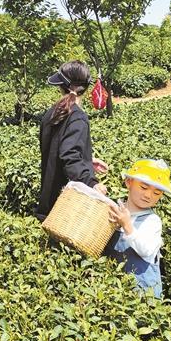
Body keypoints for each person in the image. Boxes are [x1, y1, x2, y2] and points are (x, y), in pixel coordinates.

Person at [35, 61, 109, 222]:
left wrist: (87, 160)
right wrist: (91, 182)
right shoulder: (77, 117)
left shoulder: (52, 113)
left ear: (60, 86)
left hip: (48, 202)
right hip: (65, 210)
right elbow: (69, 155)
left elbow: (57, 150)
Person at [106, 158, 171, 298]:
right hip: (114, 291)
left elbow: (146, 249)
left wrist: (127, 225)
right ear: (129, 182)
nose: (148, 195)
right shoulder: (116, 209)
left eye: (156, 193)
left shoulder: (152, 221)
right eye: (143, 187)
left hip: (143, 296)